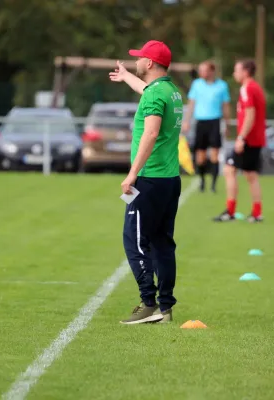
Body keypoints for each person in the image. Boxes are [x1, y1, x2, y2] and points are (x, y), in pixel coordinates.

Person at [109, 40, 183, 324]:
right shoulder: (170, 91)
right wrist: (127, 76)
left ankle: (148, 303)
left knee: (135, 241)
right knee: (162, 243)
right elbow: (148, 92)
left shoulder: (154, 96)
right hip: (169, 180)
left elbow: (150, 134)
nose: (137, 61)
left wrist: (132, 175)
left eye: (139, 58)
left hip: (148, 180)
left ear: (150, 63)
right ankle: (166, 307)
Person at [213, 59, 266, 223]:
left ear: (246, 72)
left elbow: (250, 115)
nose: (234, 74)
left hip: (248, 139)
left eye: (237, 70)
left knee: (229, 170)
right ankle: (256, 213)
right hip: (255, 138)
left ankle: (230, 211)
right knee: (251, 175)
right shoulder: (255, 87)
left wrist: (241, 138)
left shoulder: (247, 88)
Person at [182, 61, 231, 193]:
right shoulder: (197, 85)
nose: (201, 72)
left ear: (211, 71)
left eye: (204, 70)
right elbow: (191, 103)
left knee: (215, 154)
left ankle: (213, 185)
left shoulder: (222, 86)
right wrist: (186, 120)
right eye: (200, 70)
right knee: (200, 155)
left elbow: (225, 106)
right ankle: (202, 181)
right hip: (201, 122)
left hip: (215, 121)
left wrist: (227, 123)